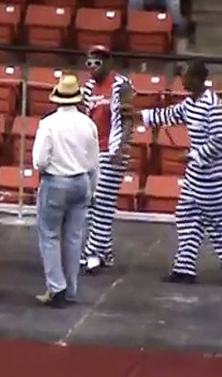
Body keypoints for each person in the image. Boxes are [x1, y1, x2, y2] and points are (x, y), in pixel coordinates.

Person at [139, 60, 222, 287]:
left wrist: (193, 155)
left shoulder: (212, 105)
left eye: (186, 77)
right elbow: (169, 115)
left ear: (198, 79)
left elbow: (219, 140)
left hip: (213, 174)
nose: (183, 81)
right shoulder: (191, 103)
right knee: (187, 216)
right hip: (197, 173)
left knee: (218, 220)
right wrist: (139, 115)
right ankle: (184, 268)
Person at [33, 74, 99, 308]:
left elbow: (40, 160)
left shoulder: (48, 123)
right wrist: (92, 189)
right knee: (73, 238)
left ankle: (56, 287)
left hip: (56, 182)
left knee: (49, 235)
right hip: (82, 182)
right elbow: (94, 161)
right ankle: (71, 289)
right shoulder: (88, 124)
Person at [79, 45, 135, 275]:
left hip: (112, 151)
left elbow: (128, 118)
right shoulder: (88, 88)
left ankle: (93, 253)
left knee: (102, 202)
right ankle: (106, 251)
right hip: (92, 151)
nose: (92, 67)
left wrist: (121, 147)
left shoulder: (121, 86)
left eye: (98, 62)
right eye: (90, 62)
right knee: (93, 204)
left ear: (108, 63)